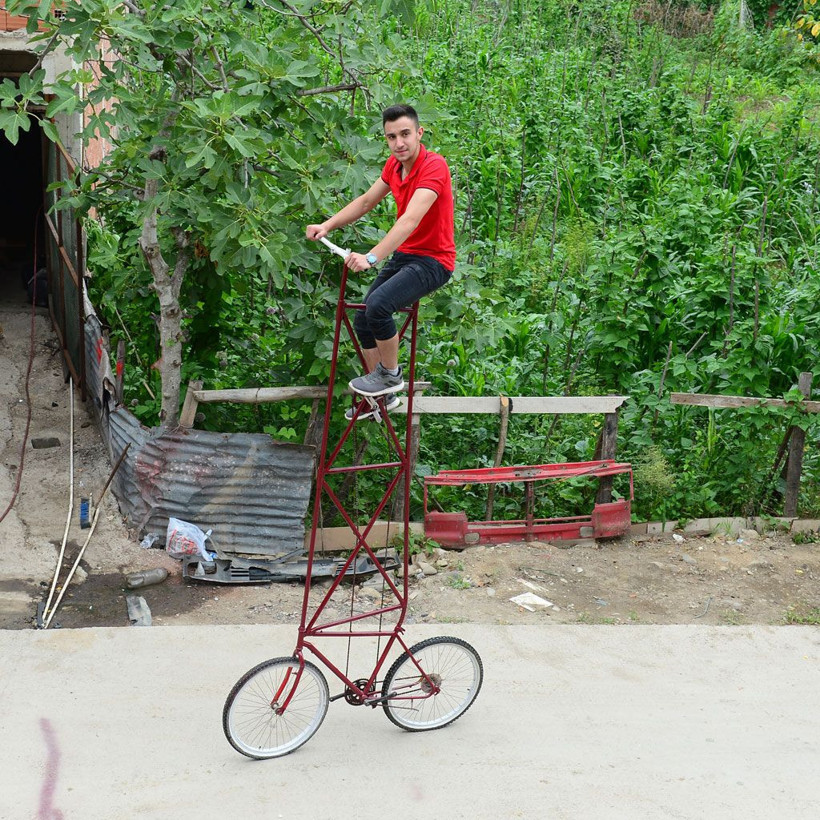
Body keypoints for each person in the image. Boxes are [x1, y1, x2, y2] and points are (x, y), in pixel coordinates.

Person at [306, 103, 455, 419]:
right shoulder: (394, 166)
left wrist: (372, 257)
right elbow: (365, 202)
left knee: (379, 306)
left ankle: (391, 375)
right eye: (391, 137)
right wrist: (327, 225)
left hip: (433, 261)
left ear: (418, 133)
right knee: (364, 318)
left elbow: (409, 221)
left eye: (405, 134)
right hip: (406, 255)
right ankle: (383, 396)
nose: (399, 143)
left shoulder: (434, 166)